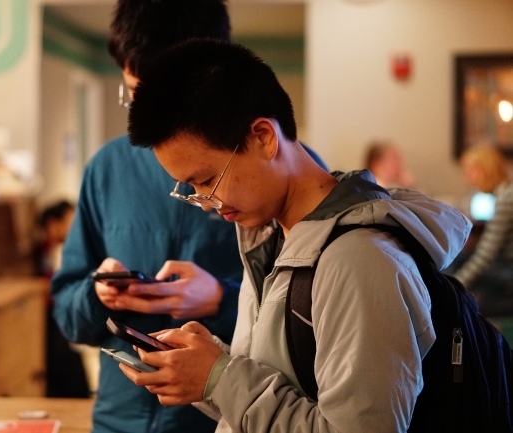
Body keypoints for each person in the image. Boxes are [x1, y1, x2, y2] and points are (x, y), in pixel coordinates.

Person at [120, 39, 472, 433]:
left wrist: (221, 378)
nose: (205, 202)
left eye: (206, 181)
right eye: (191, 189)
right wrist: (208, 370)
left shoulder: (359, 261)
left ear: (264, 137)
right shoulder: (270, 237)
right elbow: (278, 392)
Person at [51, 1, 325, 432]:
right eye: (136, 96)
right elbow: (67, 314)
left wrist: (220, 298)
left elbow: (307, 328)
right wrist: (97, 294)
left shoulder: (282, 175)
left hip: (227, 419)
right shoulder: (106, 168)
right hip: (116, 420)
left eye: (206, 183)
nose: (149, 119)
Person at [34, 200, 90, 398]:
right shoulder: (37, 253)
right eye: (70, 221)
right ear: (53, 224)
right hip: (45, 320)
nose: (76, 227)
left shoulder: (71, 251)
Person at [451, 144, 513, 313]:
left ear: (483, 170)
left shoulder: (506, 199)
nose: (466, 178)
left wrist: (456, 285)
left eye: (468, 171)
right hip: (503, 265)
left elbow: (485, 257)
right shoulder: (501, 193)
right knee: (460, 258)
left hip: (508, 270)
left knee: (456, 263)